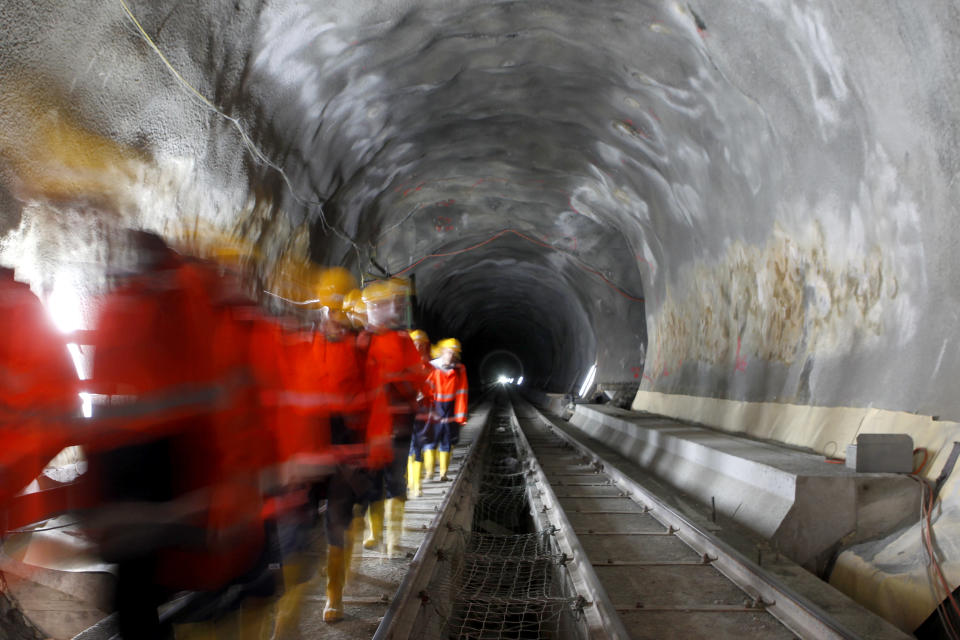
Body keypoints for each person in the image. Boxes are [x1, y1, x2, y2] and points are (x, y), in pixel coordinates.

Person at [358, 279, 428, 559]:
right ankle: (374, 533)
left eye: (384, 304)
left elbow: (419, 378)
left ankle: (394, 541)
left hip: (398, 421)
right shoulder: (360, 340)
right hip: (369, 425)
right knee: (373, 480)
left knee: (395, 479)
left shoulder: (401, 340)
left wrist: (398, 381)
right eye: (374, 305)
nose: (381, 309)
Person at [425, 338, 468, 481]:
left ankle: (443, 474)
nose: (453, 356)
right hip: (434, 409)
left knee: (446, 441)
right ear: (442, 351)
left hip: (449, 410)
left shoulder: (459, 369)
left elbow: (462, 393)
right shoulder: (431, 367)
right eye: (450, 352)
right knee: (430, 441)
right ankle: (430, 472)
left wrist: (460, 416)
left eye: (455, 353)